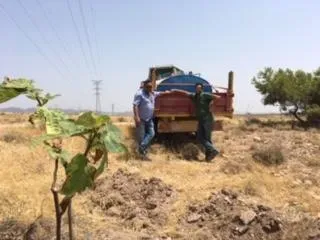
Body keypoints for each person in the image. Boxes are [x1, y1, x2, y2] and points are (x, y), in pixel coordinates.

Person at [172, 83, 220, 161]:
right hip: (201, 119)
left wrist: (211, 105)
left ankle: (209, 156)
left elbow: (217, 97)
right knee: (200, 137)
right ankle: (212, 150)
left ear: (202, 89)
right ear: (195, 89)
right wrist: (175, 90)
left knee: (207, 138)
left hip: (207, 119)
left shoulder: (205, 95)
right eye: (197, 88)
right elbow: (185, 93)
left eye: (199, 88)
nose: (198, 89)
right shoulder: (194, 96)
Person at [133, 79, 170, 160]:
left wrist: (166, 92)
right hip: (141, 119)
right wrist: (137, 117)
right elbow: (135, 105)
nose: (150, 88)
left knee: (151, 134)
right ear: (144, 87)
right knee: (142, 137)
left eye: (151, 87)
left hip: (149, 119)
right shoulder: (139, 94)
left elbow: (159, 93)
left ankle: (141, 147)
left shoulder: (152, 93)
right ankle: (143, 156)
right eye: (148, 87)